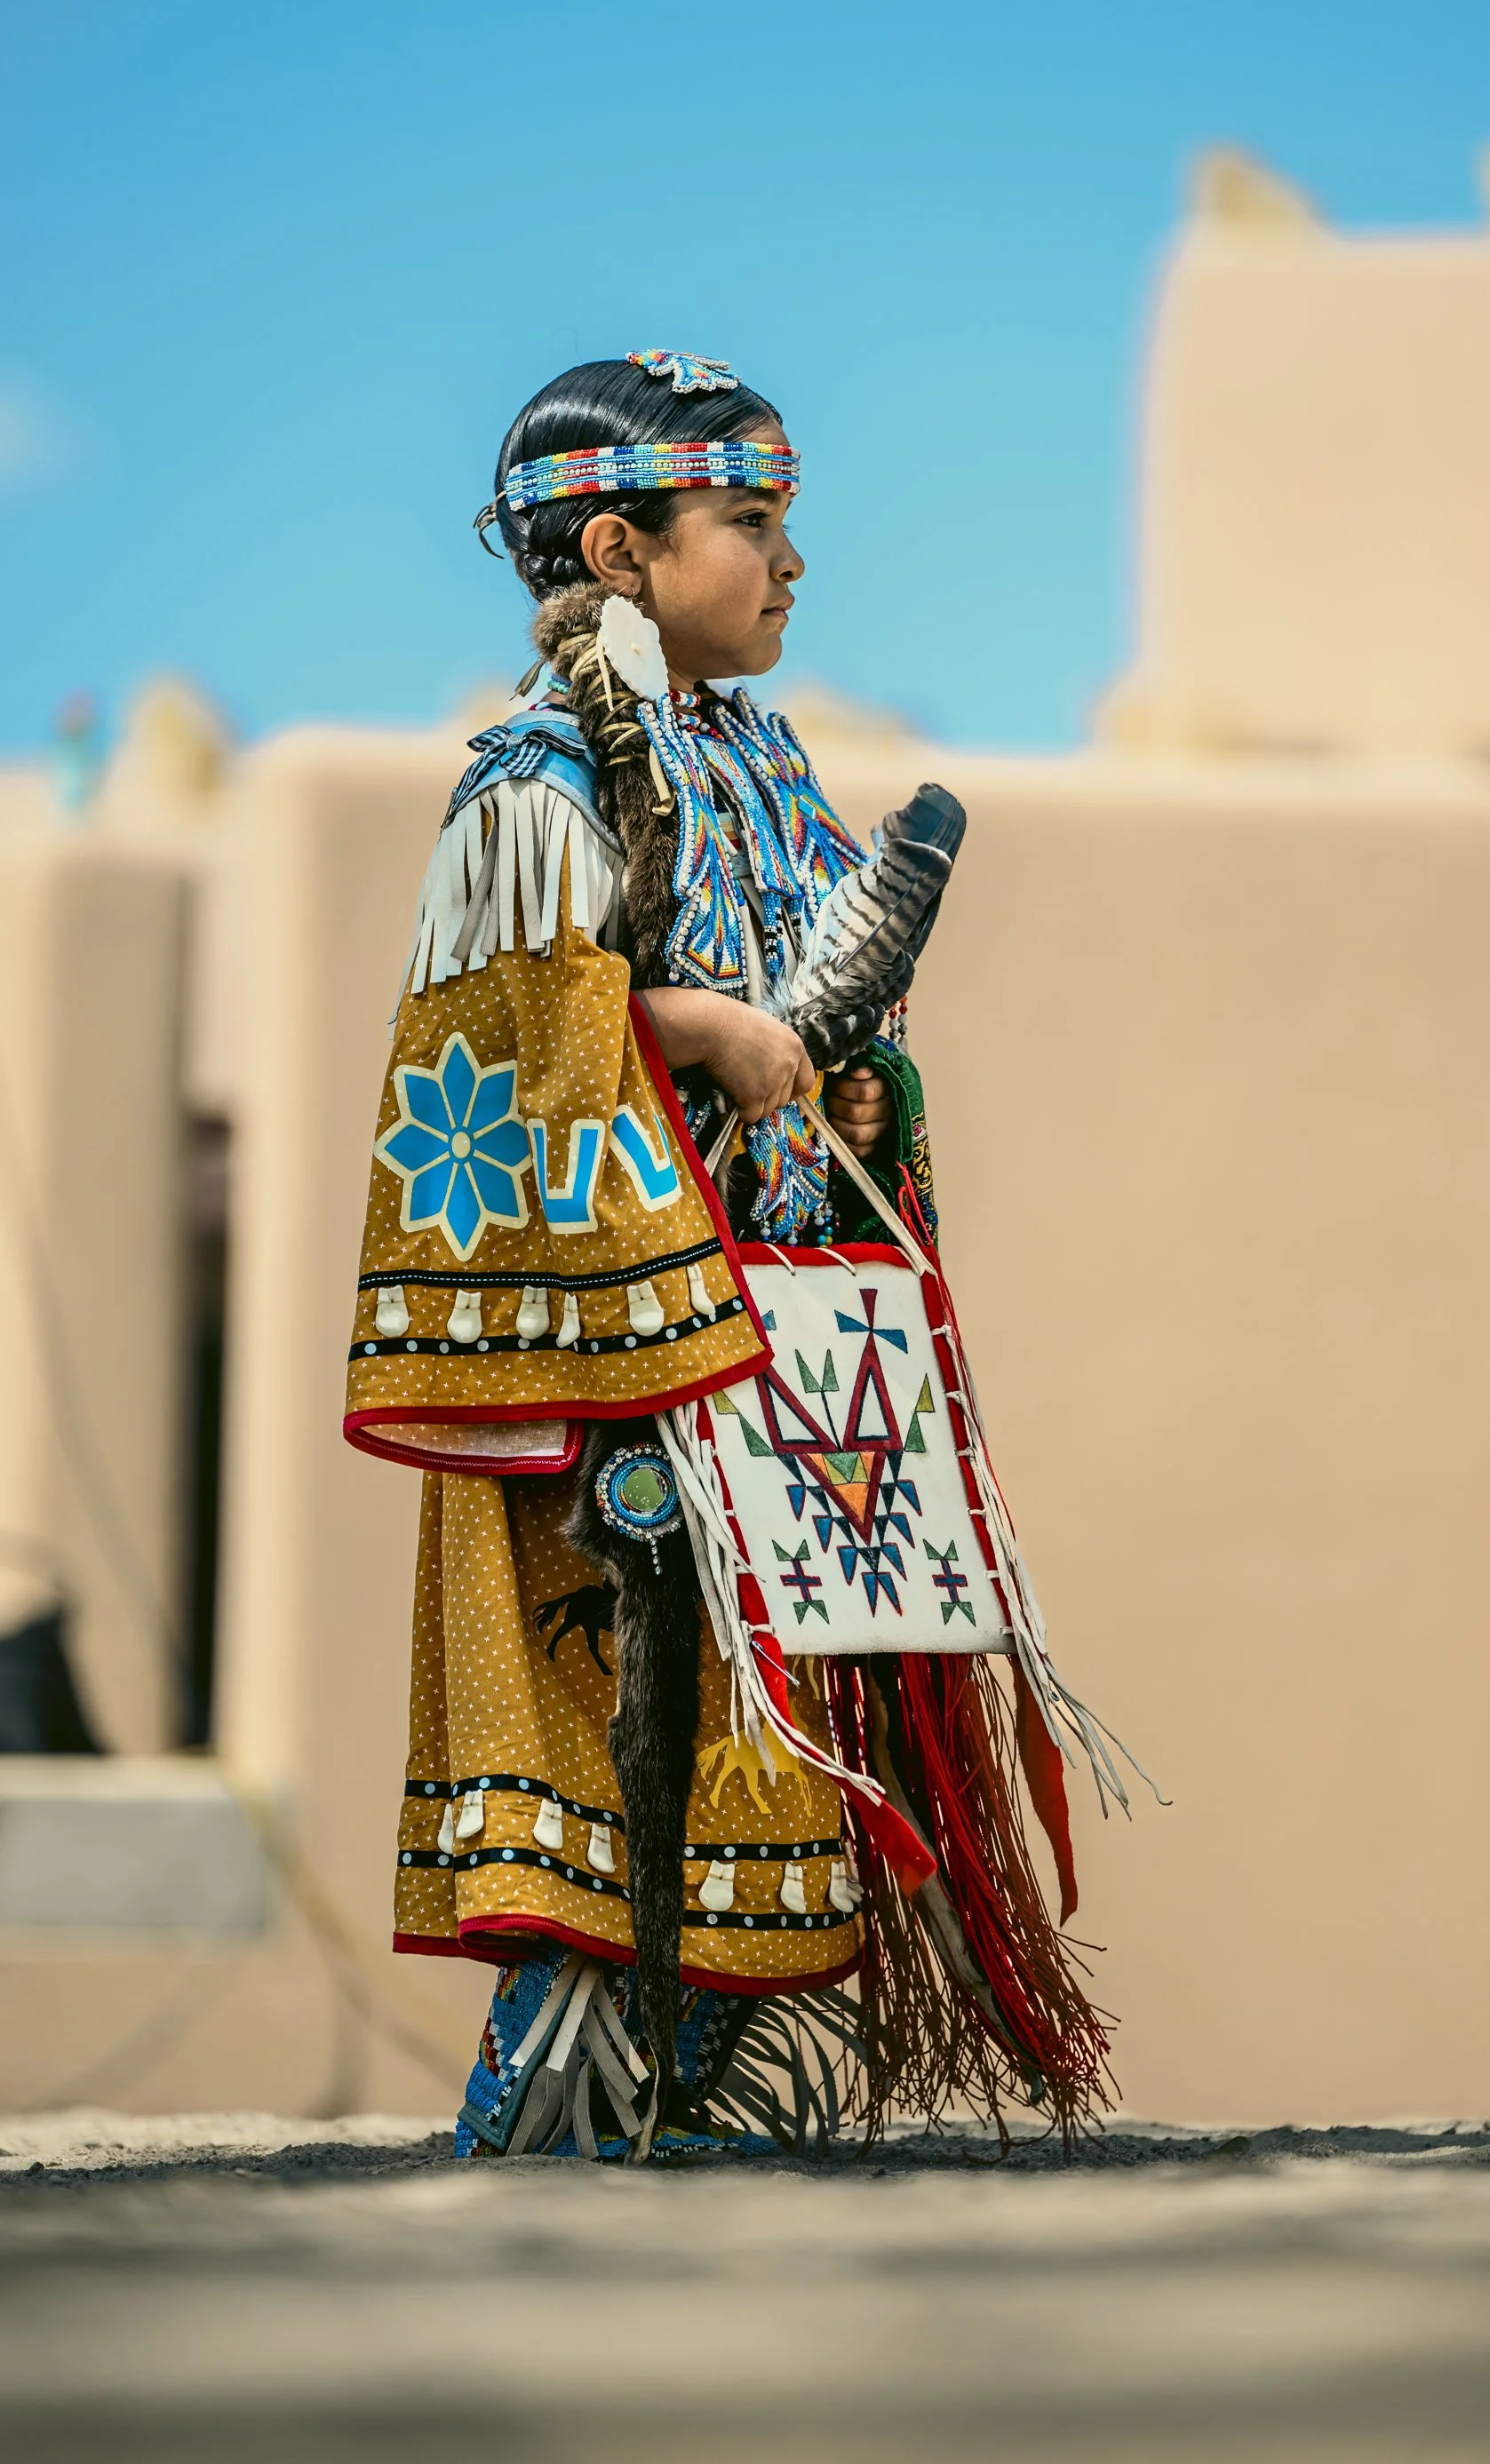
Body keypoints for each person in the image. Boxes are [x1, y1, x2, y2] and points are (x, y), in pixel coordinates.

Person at [346, 350, 1114, 2158]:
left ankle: (706, 2116)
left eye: (787, 524)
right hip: (624, 1362)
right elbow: (508, 1033)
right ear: (618, 546)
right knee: (628, 1750)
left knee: (750, 1769)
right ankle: (567, 2142)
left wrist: (849, 1093)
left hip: (762, 1358)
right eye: (748, 522)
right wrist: (693, 1035)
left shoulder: (757, 758)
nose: (788, 561)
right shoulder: (534, 786)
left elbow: (833, 1032)